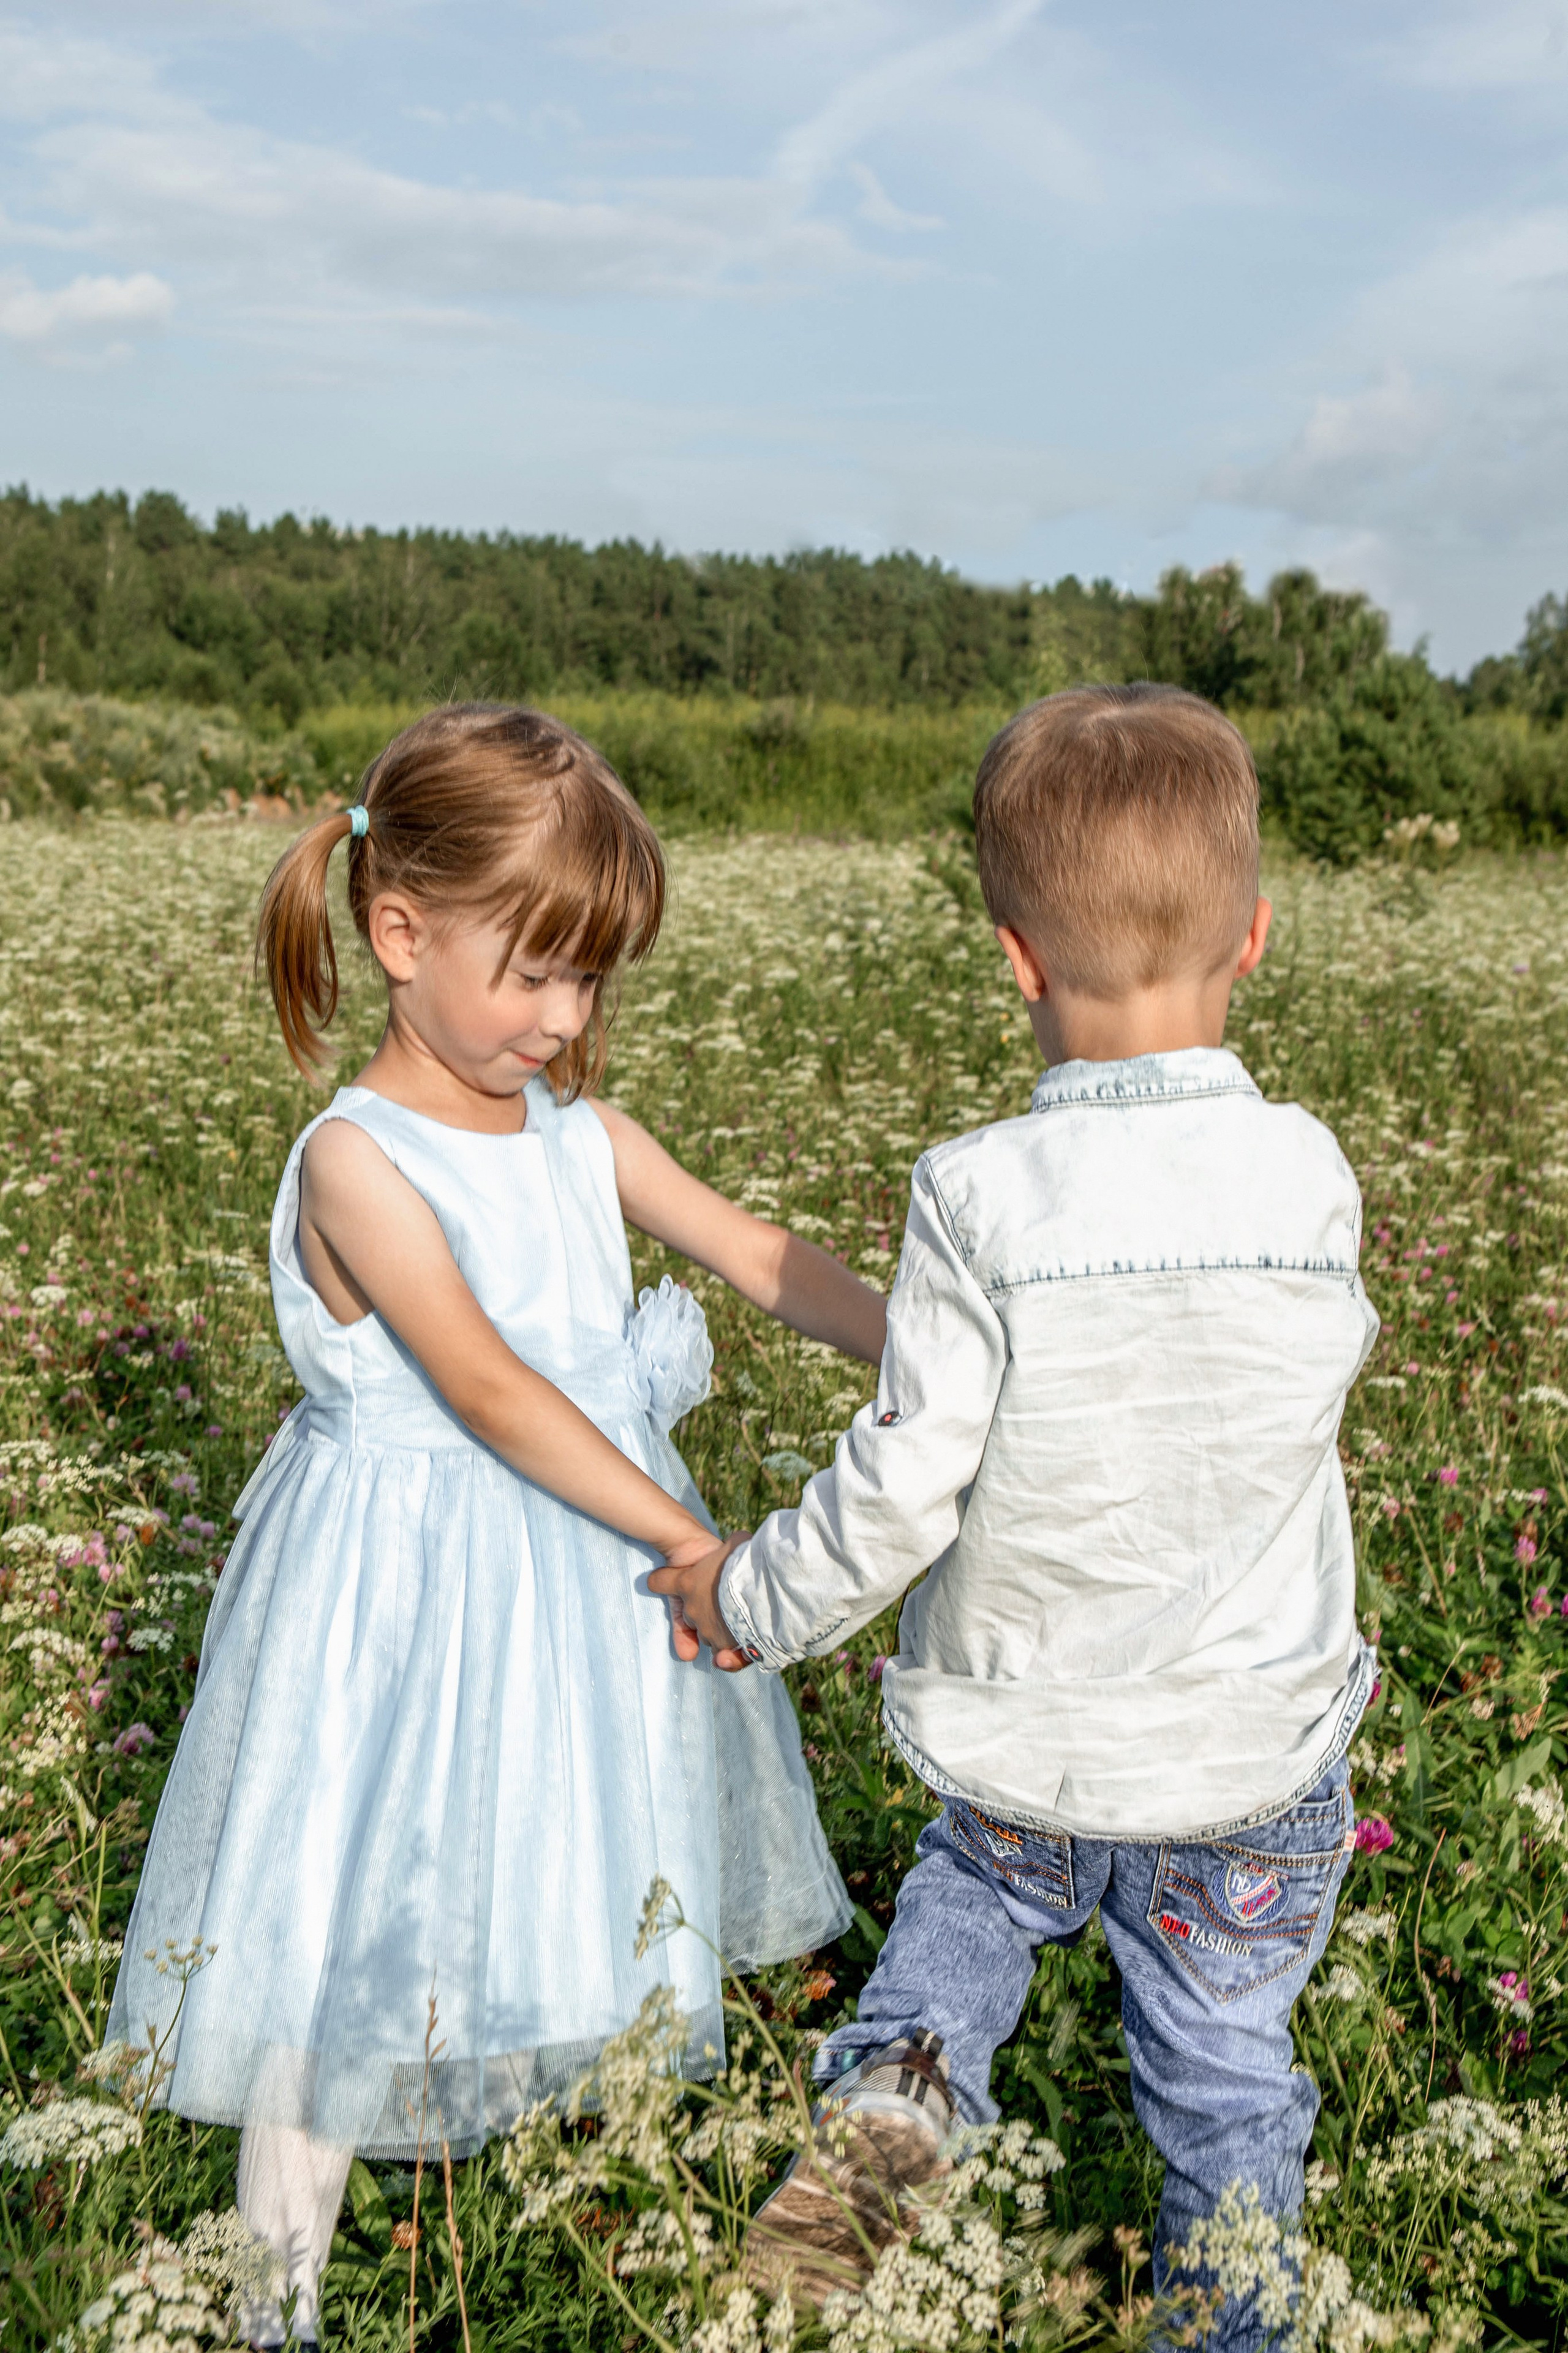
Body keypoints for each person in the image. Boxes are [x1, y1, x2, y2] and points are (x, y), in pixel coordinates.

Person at [108, 704, 880, 2344]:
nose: (565, 1013)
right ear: (399, 932)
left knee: (560, 1890)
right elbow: (491, 1390)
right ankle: (274, 2309)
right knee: (329, 1947)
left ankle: (528, 2243)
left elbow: (754, 1252)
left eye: (591, 977)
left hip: (575, 1600)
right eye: (531, 971)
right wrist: (701, 1541)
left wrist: (935, 1348)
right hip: (402, 1616)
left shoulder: (579, 1137)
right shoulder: (356, 1164)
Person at [653, 684, 1380, 2334]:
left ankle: (819, 2275)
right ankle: (1235, 2322)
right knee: (1226, 2085)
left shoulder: (977, 1194)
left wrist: (743, 1593)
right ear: (1254, 935)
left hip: (1027, 1747)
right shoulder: (1310, 1169)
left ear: (1015, 956)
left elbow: (907, 1483)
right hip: (1249, 1756)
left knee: (940, 1996)